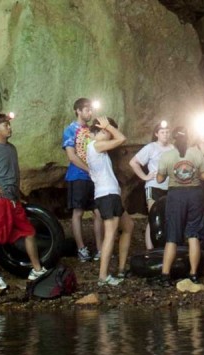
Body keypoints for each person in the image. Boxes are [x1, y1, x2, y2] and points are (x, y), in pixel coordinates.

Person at [0, 113, 47, 291]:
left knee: (29, 232)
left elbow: (13, 174)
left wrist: (18, 196)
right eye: (5, 125)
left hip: (13, 201)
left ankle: (36, 270)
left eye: (9, 125)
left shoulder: (11, 148)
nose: (9, 128)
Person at [156, 126, 204, 285]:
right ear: (188, 137)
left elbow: (159, 179)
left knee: (172, 236)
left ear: (173, 138)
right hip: (195, 194)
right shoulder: (197, 153)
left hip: (175, 195)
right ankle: (193, 274)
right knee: (193, 235)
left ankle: (165, 276)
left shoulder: (167, 155)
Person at [86, 117, 134, 286]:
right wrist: (107, 126)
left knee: (128, 226)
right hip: (107, 195)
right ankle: (103, 276)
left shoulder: (99, 149)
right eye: (105, 131)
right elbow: (121, 139)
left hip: (111, 195)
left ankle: (121, 269)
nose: (108, 134)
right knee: (110, 234)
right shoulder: (95, 146)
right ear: (98, 132)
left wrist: (107, 127)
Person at [62, 98, 104, 262]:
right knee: (78, 212)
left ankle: (101, 249)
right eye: (86, 110)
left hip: (94, 177)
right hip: (78, 176)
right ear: (78, 111)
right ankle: (81, 249)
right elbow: (72, 156)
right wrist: (90, 170)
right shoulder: (70, 130)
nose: (89, 113)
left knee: (98, 211)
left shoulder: (93, 130)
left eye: (90, 110)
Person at [128, 121, 173, 250]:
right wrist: (144, 177)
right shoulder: (151, 147)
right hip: (154, 186)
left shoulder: (172, 148)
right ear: (156, 134)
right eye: (162, 132)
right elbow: (134, 162)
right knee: (154, 216)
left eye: (167, 132)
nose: (165, 135)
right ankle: (150, 248)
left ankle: (166, 246)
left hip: (169, 186)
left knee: (167, 216)